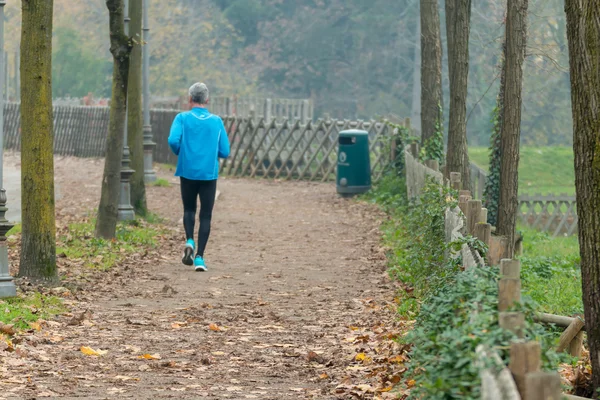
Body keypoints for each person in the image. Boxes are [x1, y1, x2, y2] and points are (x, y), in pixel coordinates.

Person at [168, 82, 230, 271]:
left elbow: (172, 140)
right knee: (206, 215)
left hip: (187, 171)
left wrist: (182, 152)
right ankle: (200, 258)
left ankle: (189, 241)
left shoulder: (182, 118)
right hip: (208, 174)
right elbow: (225, 151)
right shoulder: (216, 121)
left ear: (189, 99)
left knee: (189, 209)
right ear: (207, 100)